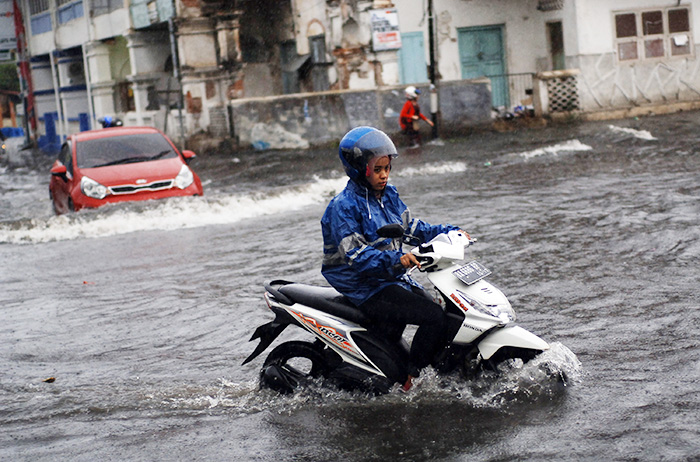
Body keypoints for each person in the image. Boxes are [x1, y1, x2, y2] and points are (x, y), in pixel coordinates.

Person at [321, 126, 468, 390]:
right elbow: (357, 257)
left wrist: (450, 231)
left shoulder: (387, 195)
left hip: (391, 279)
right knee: (433, 316)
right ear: (359, 169)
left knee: (448, 311)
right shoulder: (343, 207)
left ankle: (432, 369)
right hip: (364, 286)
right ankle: (413, 379)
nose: (384, 175)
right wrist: (398, 261)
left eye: (387, 168)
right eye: (377, 170)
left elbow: (412, 229)